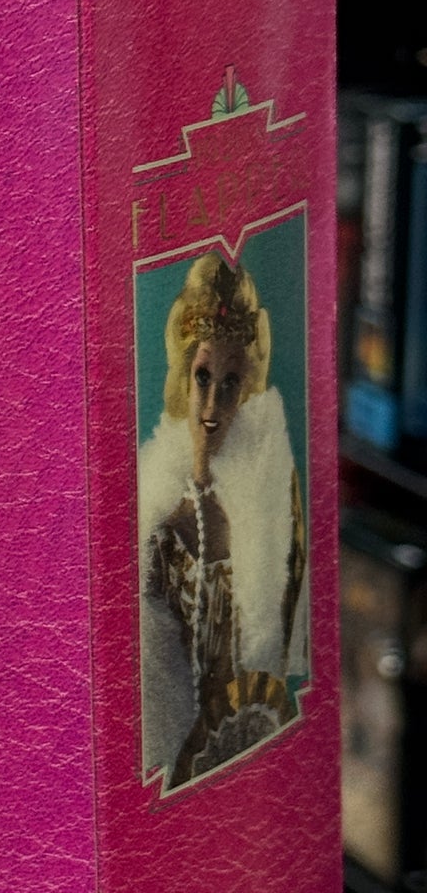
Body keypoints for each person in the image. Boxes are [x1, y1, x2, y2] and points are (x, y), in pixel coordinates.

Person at [138, 252, 308, 790]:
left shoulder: (266, 504)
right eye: (204, 377)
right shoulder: (157, 520)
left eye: (231, 383)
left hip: (253, 769)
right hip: (179, 768)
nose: (213, 402)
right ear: (184, 379)